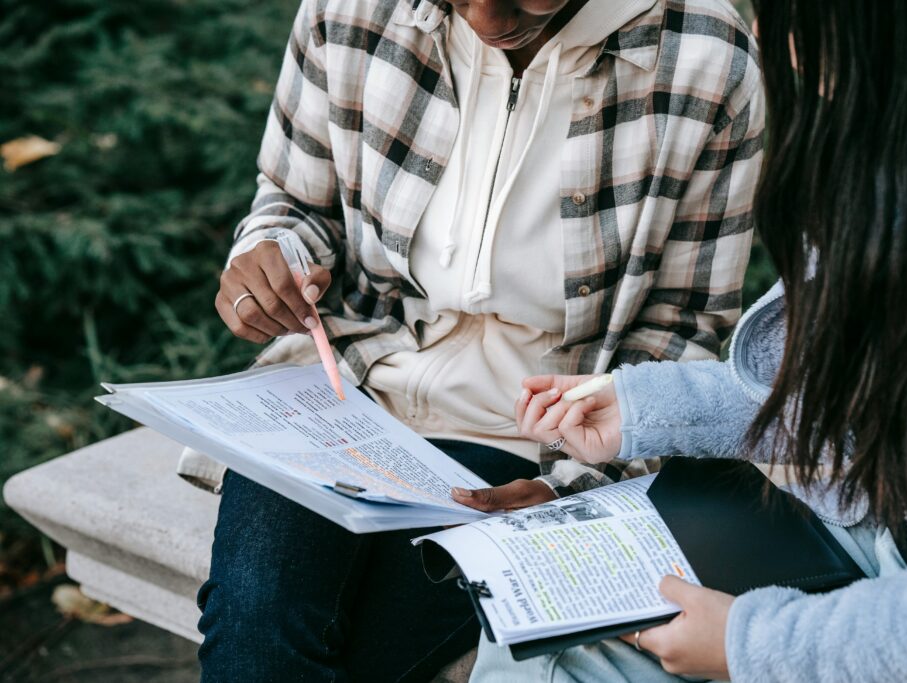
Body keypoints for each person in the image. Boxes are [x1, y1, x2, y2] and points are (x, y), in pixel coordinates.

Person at [188, 0, 764, 680]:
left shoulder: (705, 56)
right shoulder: (347, 10)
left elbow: (683, 328)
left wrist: (572, 488)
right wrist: (271, 257)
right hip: (339, 389)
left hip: (529, 438)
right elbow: (294, 200)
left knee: (360, 658)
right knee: (257, 620)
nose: (489, 19)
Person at [480, 0, 907, 680]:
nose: (762, 34)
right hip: (898, 538)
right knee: (544, 615)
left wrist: (751, 644)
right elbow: (829, 393)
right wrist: (637, 407)